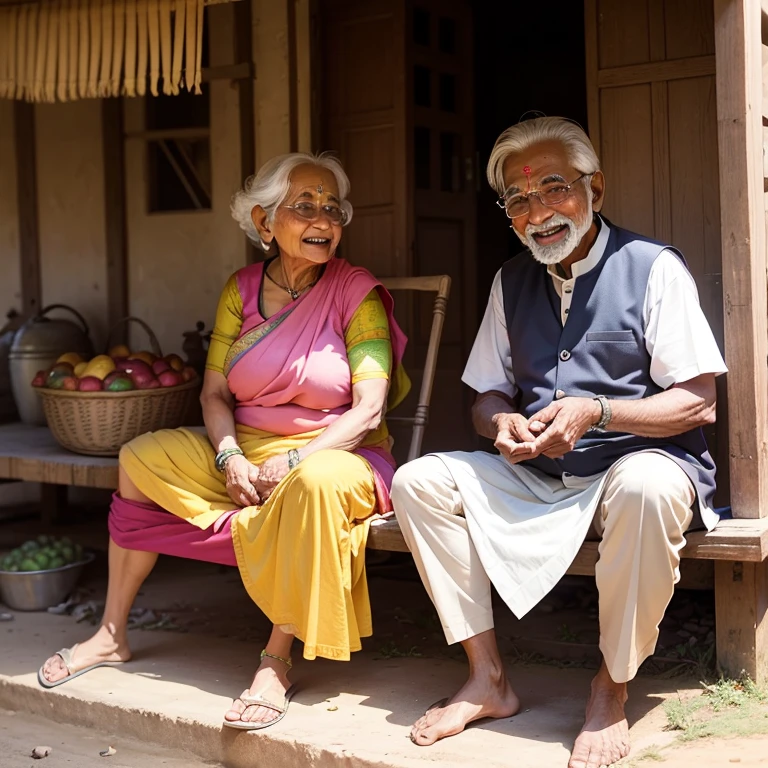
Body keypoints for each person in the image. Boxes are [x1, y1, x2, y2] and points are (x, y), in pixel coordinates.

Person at [390, 116, 726, 768]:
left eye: (554, 188)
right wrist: (501, 426)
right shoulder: (510, 281)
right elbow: (486, 395)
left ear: (594, 188)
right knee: (418, 482)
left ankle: (611, 686)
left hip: (632, 470)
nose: (539, 211)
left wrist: (598, 411)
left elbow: (698, 401)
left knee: (649, 487)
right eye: (519, 200)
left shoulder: (653, 268)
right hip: (543, 477)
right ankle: (487, 678)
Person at [38, 152, 410, 731]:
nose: (323, 218)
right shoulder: (240, 290)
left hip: (337, 454)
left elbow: (367, 409)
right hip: (245, 452)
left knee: (311, 485)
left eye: (332, 208)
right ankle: (111, 633)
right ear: (265, 223)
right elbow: (215, 395)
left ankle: (275, 660)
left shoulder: (354, 291)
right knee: (138, 458)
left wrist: (293, 460)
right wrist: (230, 454)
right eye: (304, 206)